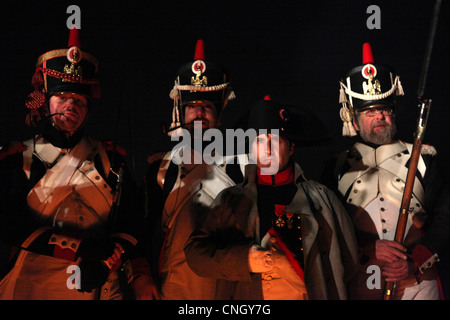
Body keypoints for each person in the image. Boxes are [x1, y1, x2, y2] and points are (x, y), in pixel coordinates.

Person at [0, 27, 144, 300]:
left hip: (98, 286)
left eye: (79, 100)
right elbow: (9, 223)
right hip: (33, 287)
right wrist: (81, 248)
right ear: (45, 101)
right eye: (62, 97)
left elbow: (132, 221)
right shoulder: (18, 158)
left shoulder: (111, 159)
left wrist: (103, 262)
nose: (71, 106)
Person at [184, 96, 359, 300]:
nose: (268, 150)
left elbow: (349, 262)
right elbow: (195, 253)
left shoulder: (323, 199)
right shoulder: (229, 200)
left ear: (291, 148)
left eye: (275, 141)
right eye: (259, 141)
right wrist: (245, 260)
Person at [321, 42, 450, 300]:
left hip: (417, 281)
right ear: (353, 120)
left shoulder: (423, 158)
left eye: (384, 110)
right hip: (360, 282)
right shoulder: (335, 168)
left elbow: (446, 219)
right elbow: (327, 228)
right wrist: (368, 247)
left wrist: (416, 260)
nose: (379, 116)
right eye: (369, 112)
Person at [134, 39, 246, 300]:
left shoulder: (242, 164)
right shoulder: (161, 169)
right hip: (174, 286)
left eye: (207, 107)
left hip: (229, 288)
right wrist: (141, 276)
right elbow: (141, 229)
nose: (199, 113)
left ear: (219, 116)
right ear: (181, 113)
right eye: (192, 107)